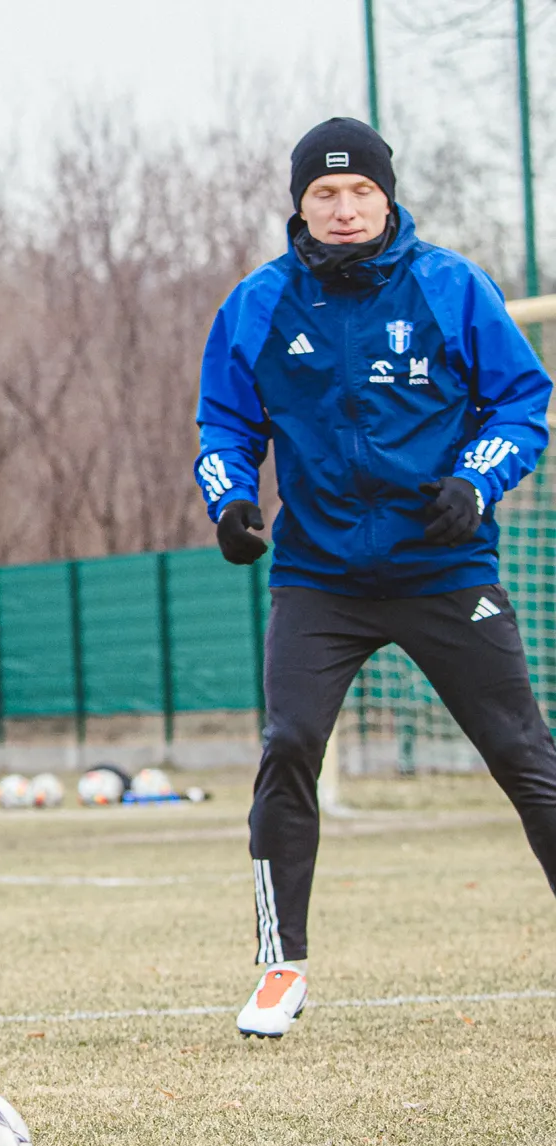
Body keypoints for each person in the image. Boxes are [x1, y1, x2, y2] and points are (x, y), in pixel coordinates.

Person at [194, 117, 556, 1039]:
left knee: (523, 754)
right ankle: (281, 967)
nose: (345, 208)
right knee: (288, 744)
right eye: (325, 193)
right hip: (318, 578)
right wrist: (231, 501)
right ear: (300, 204)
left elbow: (523, 404)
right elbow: (224, 427)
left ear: (387, 197)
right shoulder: (257, 305)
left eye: (361, 191)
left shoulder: (451, 286)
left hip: (445, 568)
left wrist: (476, 483)